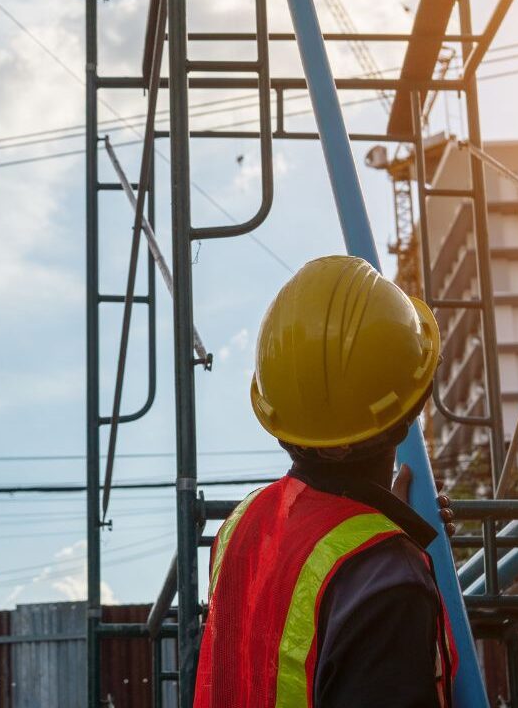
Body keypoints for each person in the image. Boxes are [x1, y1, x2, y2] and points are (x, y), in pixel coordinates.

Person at [194, 255, 456, 707]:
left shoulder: (240, 526)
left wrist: (391, 526)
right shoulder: (391, 582)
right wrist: (390, 546)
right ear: (408, 413)